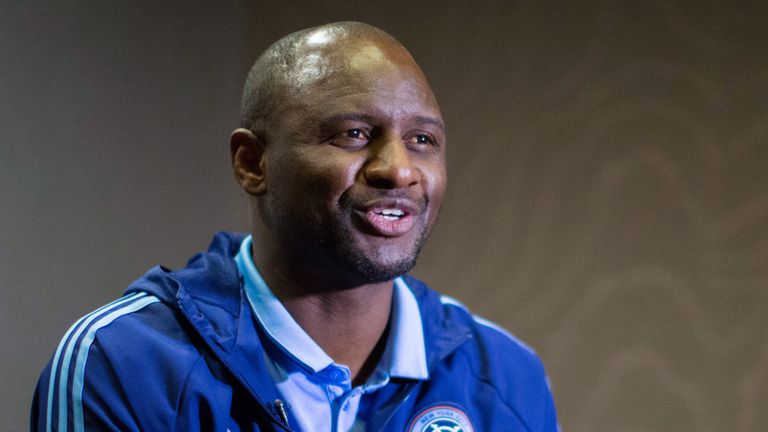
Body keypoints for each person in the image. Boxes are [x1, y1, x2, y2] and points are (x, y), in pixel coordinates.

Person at [31, 22, 558, 432]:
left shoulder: (505, 375)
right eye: (354, 134)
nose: (399, 169)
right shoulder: (126, 362)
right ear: (253, 163)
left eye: (422, 140)